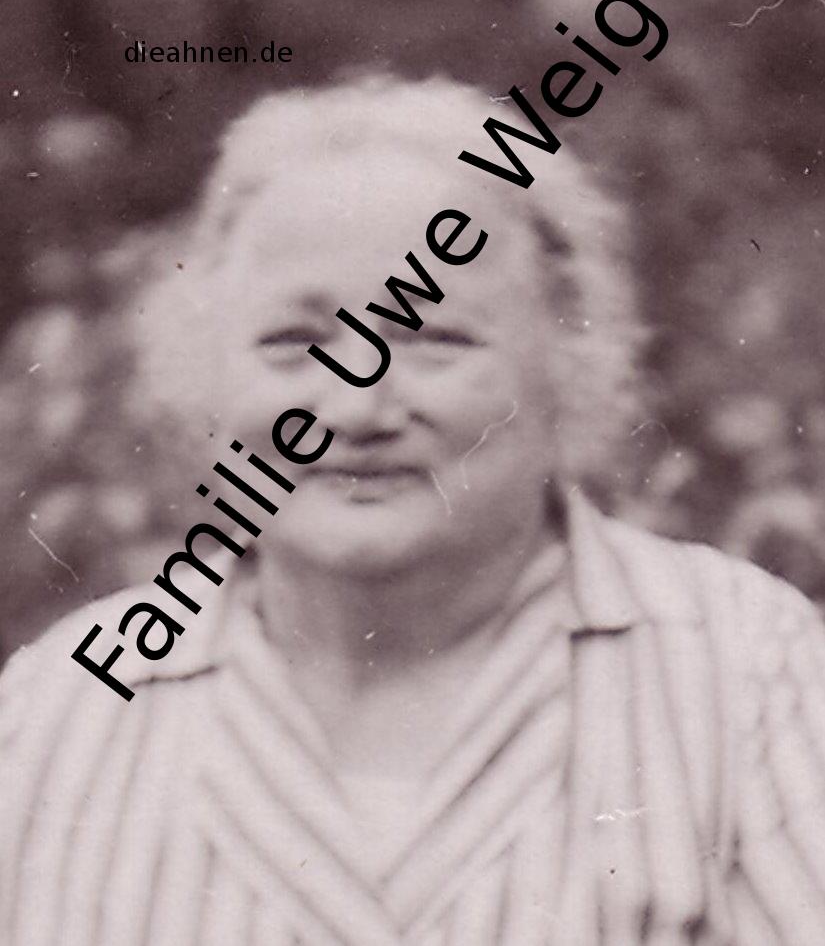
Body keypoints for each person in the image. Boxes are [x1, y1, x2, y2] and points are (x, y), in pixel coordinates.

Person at [2, 76, 824, 946]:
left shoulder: (747, 675)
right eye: (293, 342)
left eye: (434, 339)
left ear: (568, 362)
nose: (356, 408)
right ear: (203, 373)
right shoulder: (58, 712)